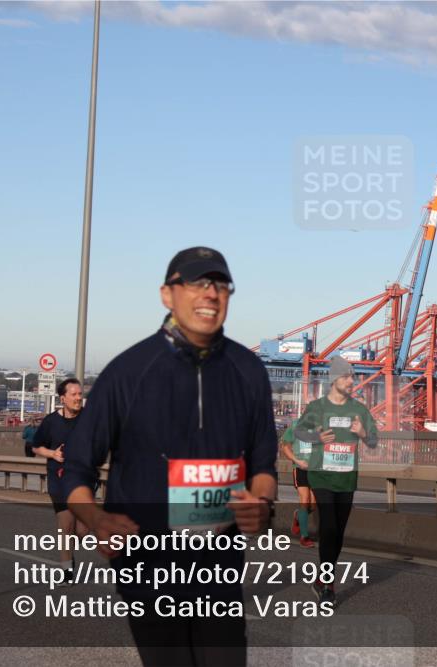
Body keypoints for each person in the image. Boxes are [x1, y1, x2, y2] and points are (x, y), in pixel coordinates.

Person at [64, 247, 277, 667]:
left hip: (219, 567)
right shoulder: (128, 372)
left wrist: (262, 503)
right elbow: (76, 469)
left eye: (220, 285)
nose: (211, 294)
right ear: (167, 294)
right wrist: (96, 519)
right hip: (147, 566)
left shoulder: (250, 371)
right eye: (197, 283)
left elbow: (264, 465)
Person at [295, 356, 378, 607]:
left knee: (338, 532)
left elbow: (373, 441)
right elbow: (299, 431)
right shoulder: (317, 407)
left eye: (352, 377)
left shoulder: (359, 409)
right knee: (329, 527)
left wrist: (363, 433)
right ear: (334, 380)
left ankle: (321, 578)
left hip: (347, 478)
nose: (351, 381)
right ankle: (329, 586)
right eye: (346, 376)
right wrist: (317, 436)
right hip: (321, 475)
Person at [33, 379, 87, 581]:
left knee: (81, 530)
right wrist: (52, 454)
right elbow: (36, 446)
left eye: (80, 394)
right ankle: (67, 570)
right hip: (59, 479)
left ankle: (73, 542)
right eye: (74, 394)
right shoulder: (51, 422)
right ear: (63, 398)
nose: (78, 398)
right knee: (66, 526)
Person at [280, 419, 316, 548]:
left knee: (313, 505)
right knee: (304, 499)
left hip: (316, 470)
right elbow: (285, 446)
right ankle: (304, 537)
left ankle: (298, 516)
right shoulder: (295, 426)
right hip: (300, 468)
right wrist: (297, 460)